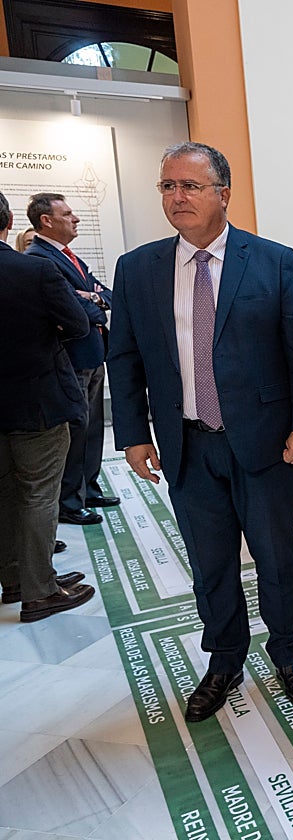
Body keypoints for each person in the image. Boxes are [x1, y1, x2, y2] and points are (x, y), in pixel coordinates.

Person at [107, 142, 293, 723]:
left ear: (223, 194)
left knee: (276, 557)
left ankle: (288, 652)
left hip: (264, 443)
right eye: (167, 187)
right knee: (210, 564)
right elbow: (124, 358)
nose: (177, 197)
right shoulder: (138, 270)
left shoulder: (273, 261)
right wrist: (132, 434)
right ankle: (224, 659)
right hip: (187, 444)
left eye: (190, 186)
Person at [0, 189, 94, 621]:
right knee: (39, 494)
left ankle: (17, 579)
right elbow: (77, 323)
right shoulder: (31, 271)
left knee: (5, 494)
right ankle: (40, 591)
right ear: (8, 221)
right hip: (38, 401)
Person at [25, 193, 119, 526]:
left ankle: (87, 488)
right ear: (46, 221)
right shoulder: (41, 258)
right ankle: (69, 500)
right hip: (72, 356)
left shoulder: (67, 257)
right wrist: (93, 306)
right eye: (67, 214)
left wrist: (92, 297)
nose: (76, 218)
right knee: (77, 429)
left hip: (92, 352)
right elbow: (73, 310)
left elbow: (106, 294)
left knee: (92, 427)